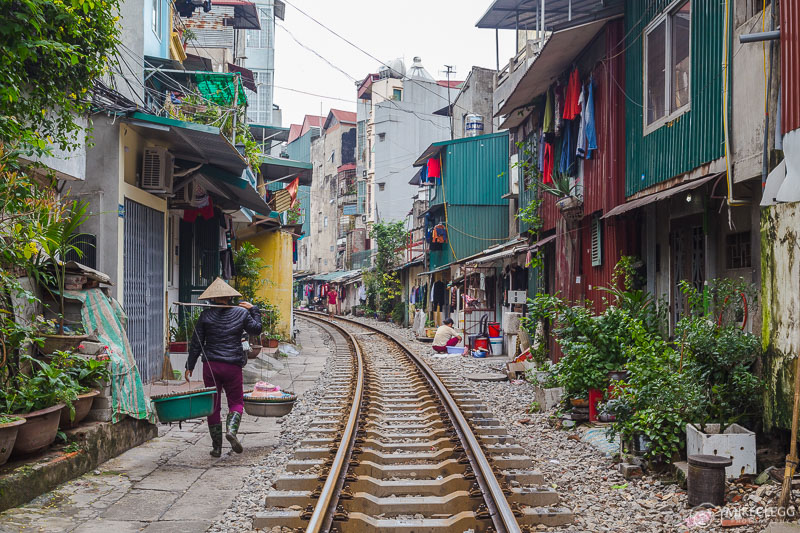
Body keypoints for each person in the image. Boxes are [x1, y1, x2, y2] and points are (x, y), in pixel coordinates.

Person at [185, 277, 262, 457]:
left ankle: (216, 447)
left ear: (211, 298)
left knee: (213, 405)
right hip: (232, 366)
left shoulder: (205, 316)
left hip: (211, 366)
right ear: (229, 297)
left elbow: (197, 343)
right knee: (236, 402)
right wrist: (254, 310)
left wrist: (190, 365)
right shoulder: (241, 313)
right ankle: (232, 431)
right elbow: (256, 329)